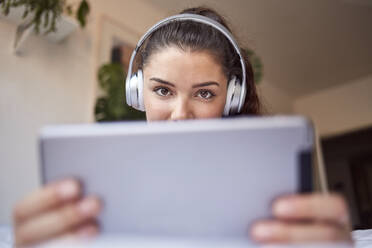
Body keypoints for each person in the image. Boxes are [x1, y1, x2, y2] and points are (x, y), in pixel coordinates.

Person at [12, 6, 352, 247]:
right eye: (162, 90)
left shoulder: (265, 187)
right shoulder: (104, 187)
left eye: (204, 93)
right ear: (137, 93)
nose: (179, 114)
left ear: (231, 100)